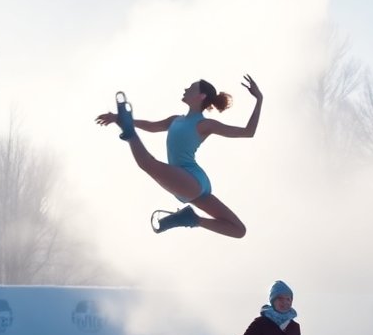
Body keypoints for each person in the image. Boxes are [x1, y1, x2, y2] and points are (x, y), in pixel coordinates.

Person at [96, 76, 263, 238]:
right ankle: (192, 219)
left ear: (201, 96)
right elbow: (152, 126)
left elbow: (248, 132)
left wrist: (259, 99)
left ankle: (129, 133)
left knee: (147, 163)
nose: (186, 89)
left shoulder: (204, 124)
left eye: (191, 88)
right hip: (190, 183)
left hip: (191, 178)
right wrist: (120, 118)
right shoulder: (175, 120)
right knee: (238, 230)